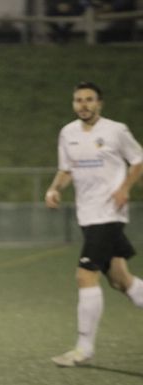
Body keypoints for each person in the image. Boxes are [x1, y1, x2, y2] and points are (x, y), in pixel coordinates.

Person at [46, 82, 143, 367]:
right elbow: (66, 170)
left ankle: (83, 349)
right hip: (87, 215)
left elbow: (138, 160)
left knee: (85, 275)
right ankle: (83, 348)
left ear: (99, 103)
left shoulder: (116, 130)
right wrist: (55, 189)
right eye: (78, 100)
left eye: (89, 100)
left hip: (109, 213)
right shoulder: (68, 133)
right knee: (120, 280)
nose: (83, 105)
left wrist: (125, 187)